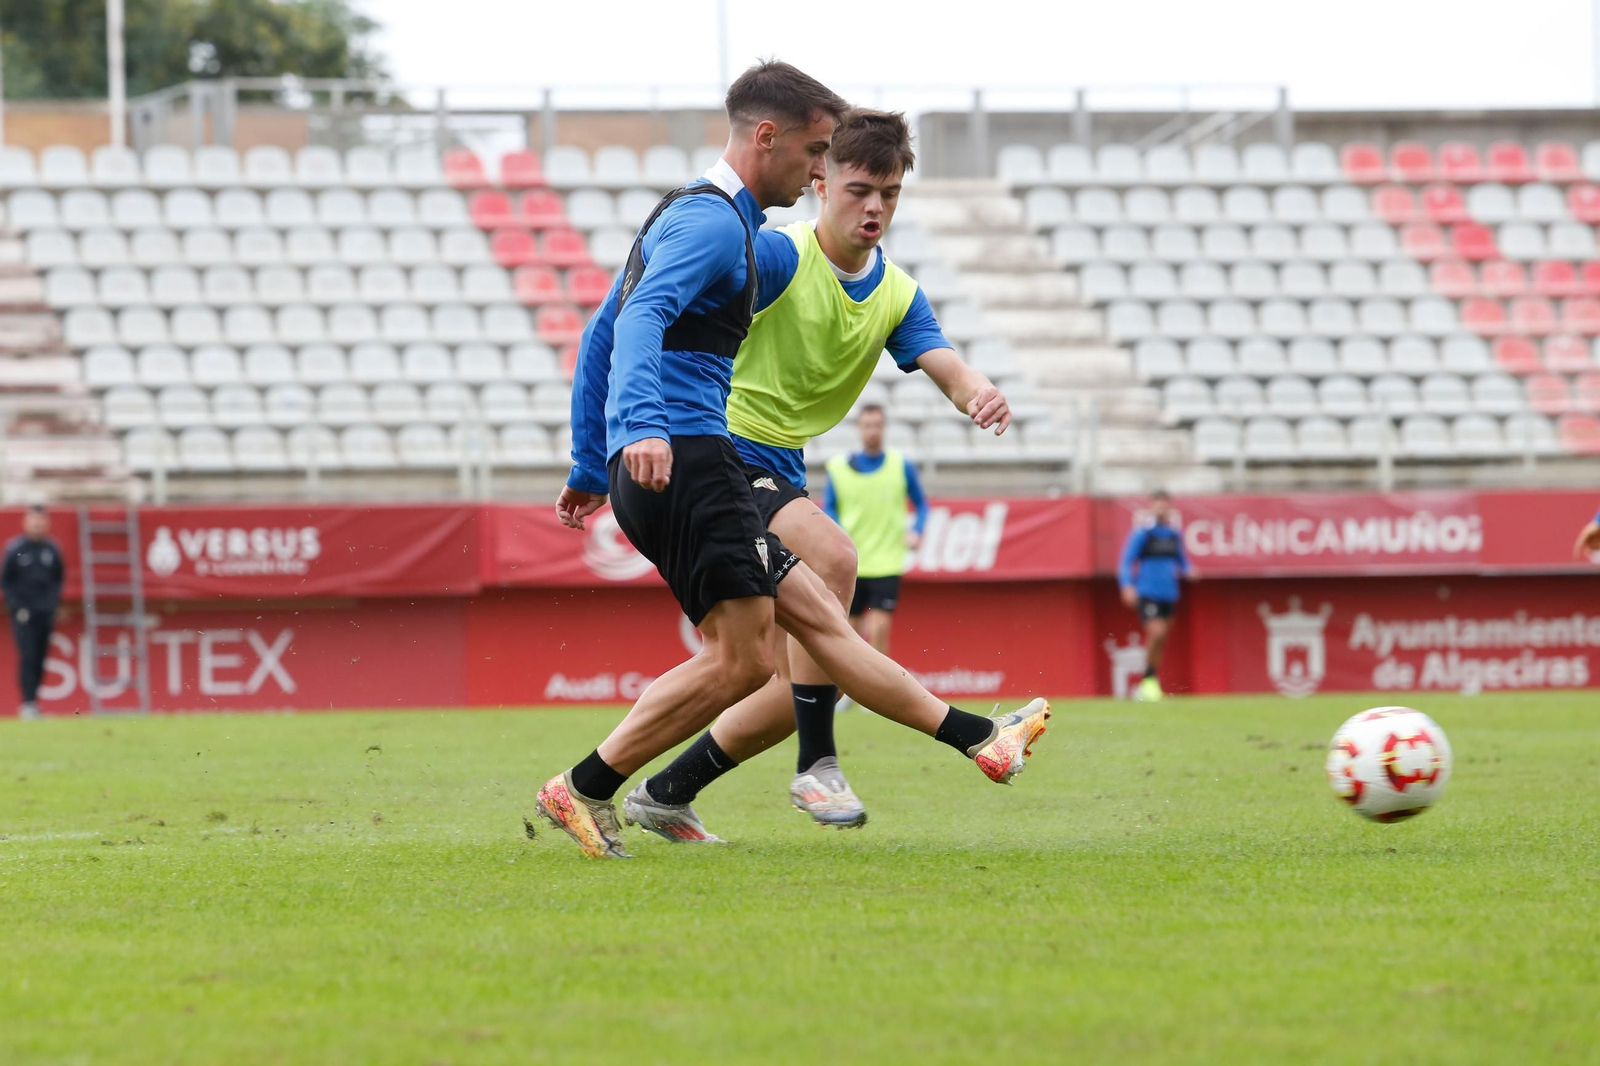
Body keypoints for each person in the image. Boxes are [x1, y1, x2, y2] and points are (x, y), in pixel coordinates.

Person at [547, 71, 1048, 859]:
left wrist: (587, 459)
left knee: (781, 656)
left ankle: (666, 790)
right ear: (785, 152)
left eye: (887, 191)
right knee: (796, 611)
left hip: (710, 460)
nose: (858, 197)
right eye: (831, 166)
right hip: (712, 455)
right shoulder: (755, 246)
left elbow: (603, 328)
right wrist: (635, 426)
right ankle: (814, 765)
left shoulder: (877, 286)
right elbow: (635, 317)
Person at [824, 404, 928, 661]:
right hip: (852, 563)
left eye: (877, 425)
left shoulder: (900, 465)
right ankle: (849, 693)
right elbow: (829, 507)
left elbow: (923, 504)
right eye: (867, 425)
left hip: (887, 562)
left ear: (885, 428)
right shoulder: (838, 468)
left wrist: (916, 530)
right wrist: (839, 535)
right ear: (859, 429)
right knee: (850, 635)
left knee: (879, 634)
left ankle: (878, 699)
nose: (873, 431)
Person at [1118, 491, 1192, 702]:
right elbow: (1126, 561)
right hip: (1148, 593)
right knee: (1156, 633)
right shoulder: (1143, 534)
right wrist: (1126, 586)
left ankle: (1150, 681)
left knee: (1161, 639)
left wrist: (1190, 569)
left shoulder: (1173, 534)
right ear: (1151, 507)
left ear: (1169, 508)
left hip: (1169, 593)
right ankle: (1148, 679)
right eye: (1157, 505)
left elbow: (1182, 560)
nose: (1161, 509)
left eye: (1165, 505)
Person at [3, 506, 65, 720]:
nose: (37, 525)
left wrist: (53, 605)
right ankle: (28, 703)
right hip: (23, 615)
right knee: (28, 656)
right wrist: (16, 607)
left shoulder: (52, 549)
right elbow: (7, 581)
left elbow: (58, 578)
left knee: (40, 657)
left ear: (46, 523)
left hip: (45, 614)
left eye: (41, 521)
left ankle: (34, 701)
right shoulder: (15, 549)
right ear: (25, 522)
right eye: (33, 521)